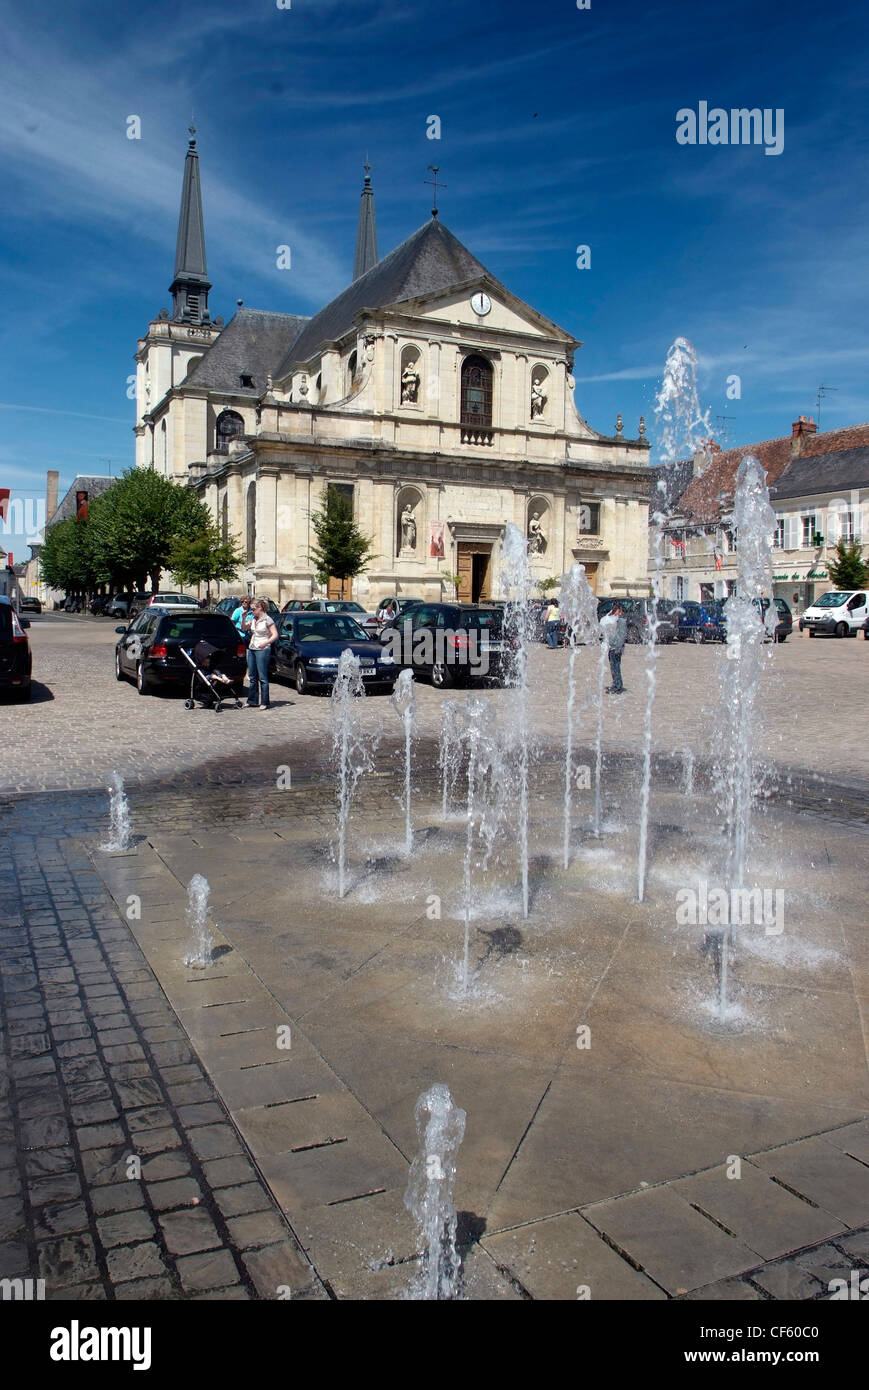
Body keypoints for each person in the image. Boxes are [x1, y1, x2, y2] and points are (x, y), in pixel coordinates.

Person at [246, 599, 279, 709]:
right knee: (252, 676)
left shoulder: (267, 619)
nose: (252, 611)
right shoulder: (253, 618)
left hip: (262, 649)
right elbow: (243, 627)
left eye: (253, 609)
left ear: (260, 608)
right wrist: (242, 617)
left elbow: (275, 635)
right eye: (251, 609)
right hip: (252, 647)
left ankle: (265, 702)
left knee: (262, 677)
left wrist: (266, 643)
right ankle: (252, 701)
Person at [604, 603, 627, 693]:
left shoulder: (621, 621)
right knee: (613, 667)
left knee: (615, 667)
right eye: (614, 611)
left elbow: (621, 636)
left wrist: (618, 648)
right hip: (612, 647)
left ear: (620, 612)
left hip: (616, 648)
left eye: (616, 611)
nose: (615, 613)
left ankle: (617, 687)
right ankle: (617, 684)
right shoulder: (615, 620)